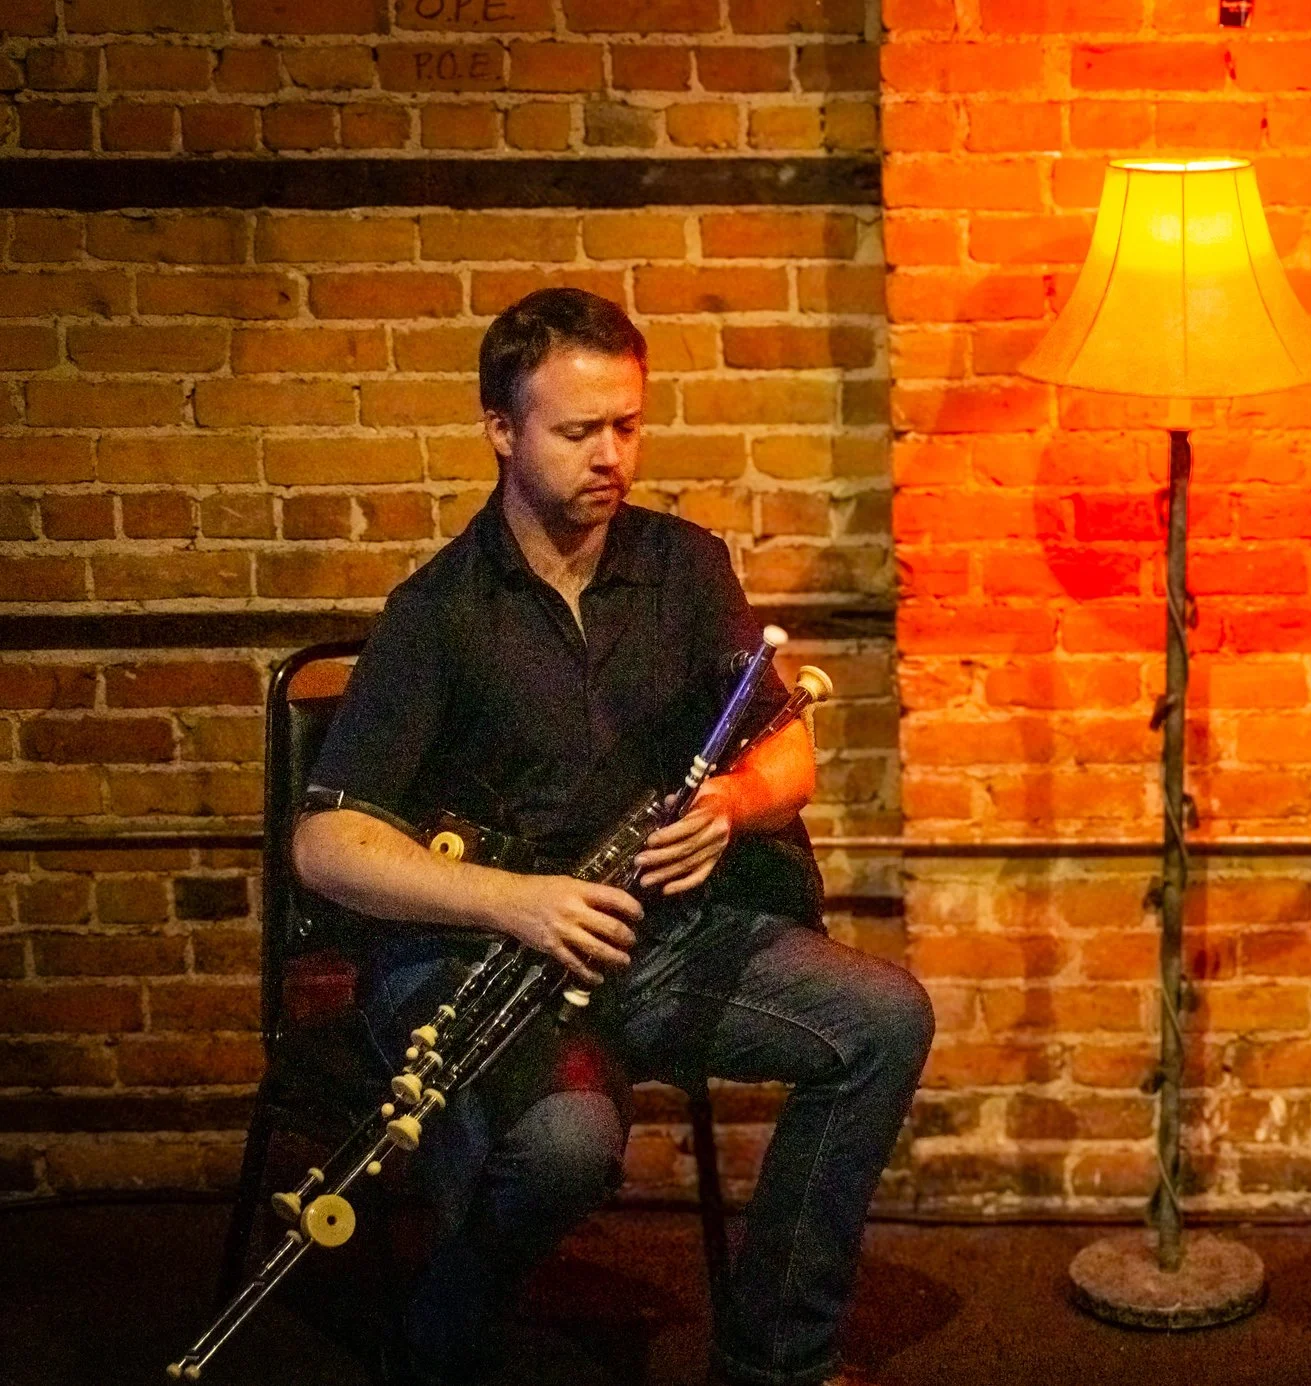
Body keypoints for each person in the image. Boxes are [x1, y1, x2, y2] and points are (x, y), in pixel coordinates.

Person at [294, 287, 933, 1386]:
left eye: (627, 426)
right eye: (578, 430)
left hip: (656, 939)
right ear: (502, 429)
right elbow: (327, 843)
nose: (611, 457)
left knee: (884, 1018)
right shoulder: (437, 613)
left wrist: (731, 805)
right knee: (564, 1147)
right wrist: (516, 899)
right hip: (495, 958)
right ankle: (443, 1336)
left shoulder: (685, 567)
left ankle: (775, 1361)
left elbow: (787, 752)